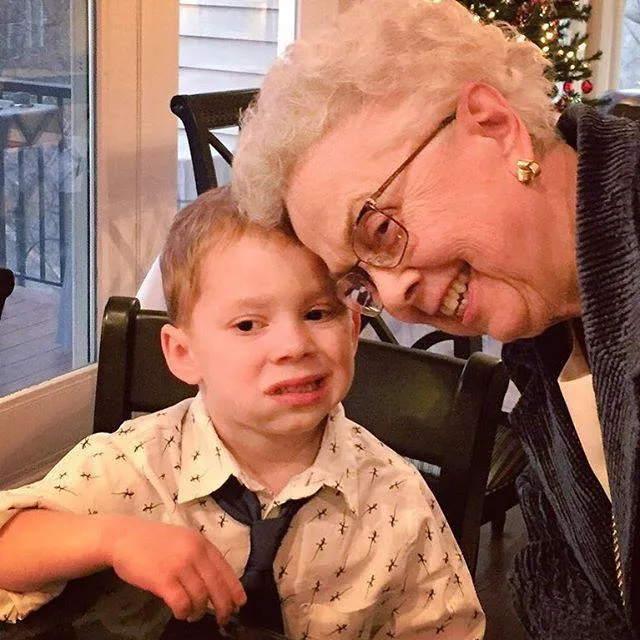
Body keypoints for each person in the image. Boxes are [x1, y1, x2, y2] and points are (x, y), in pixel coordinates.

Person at [231, 0, 640, 637]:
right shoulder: (545, 338)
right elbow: (562, 567)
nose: (394, 298)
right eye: (360, 283)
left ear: (495, 126)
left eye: (378, 228)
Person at [0, 186, 484, 639]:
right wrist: (113, 539)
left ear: (353, 328)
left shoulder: (399, 500)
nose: (294, 345)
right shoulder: (136, 464)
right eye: (249, 324)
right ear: (183, 353)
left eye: (317, 313)